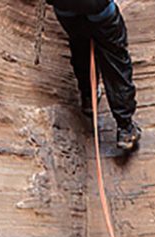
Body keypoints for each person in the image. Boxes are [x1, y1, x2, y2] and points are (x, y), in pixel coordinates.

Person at [47, 0, 141, 151]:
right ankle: (125, 128)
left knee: (80, 47)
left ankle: (89, 97)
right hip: (98, 8)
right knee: (115, 61)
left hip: (65, 8)